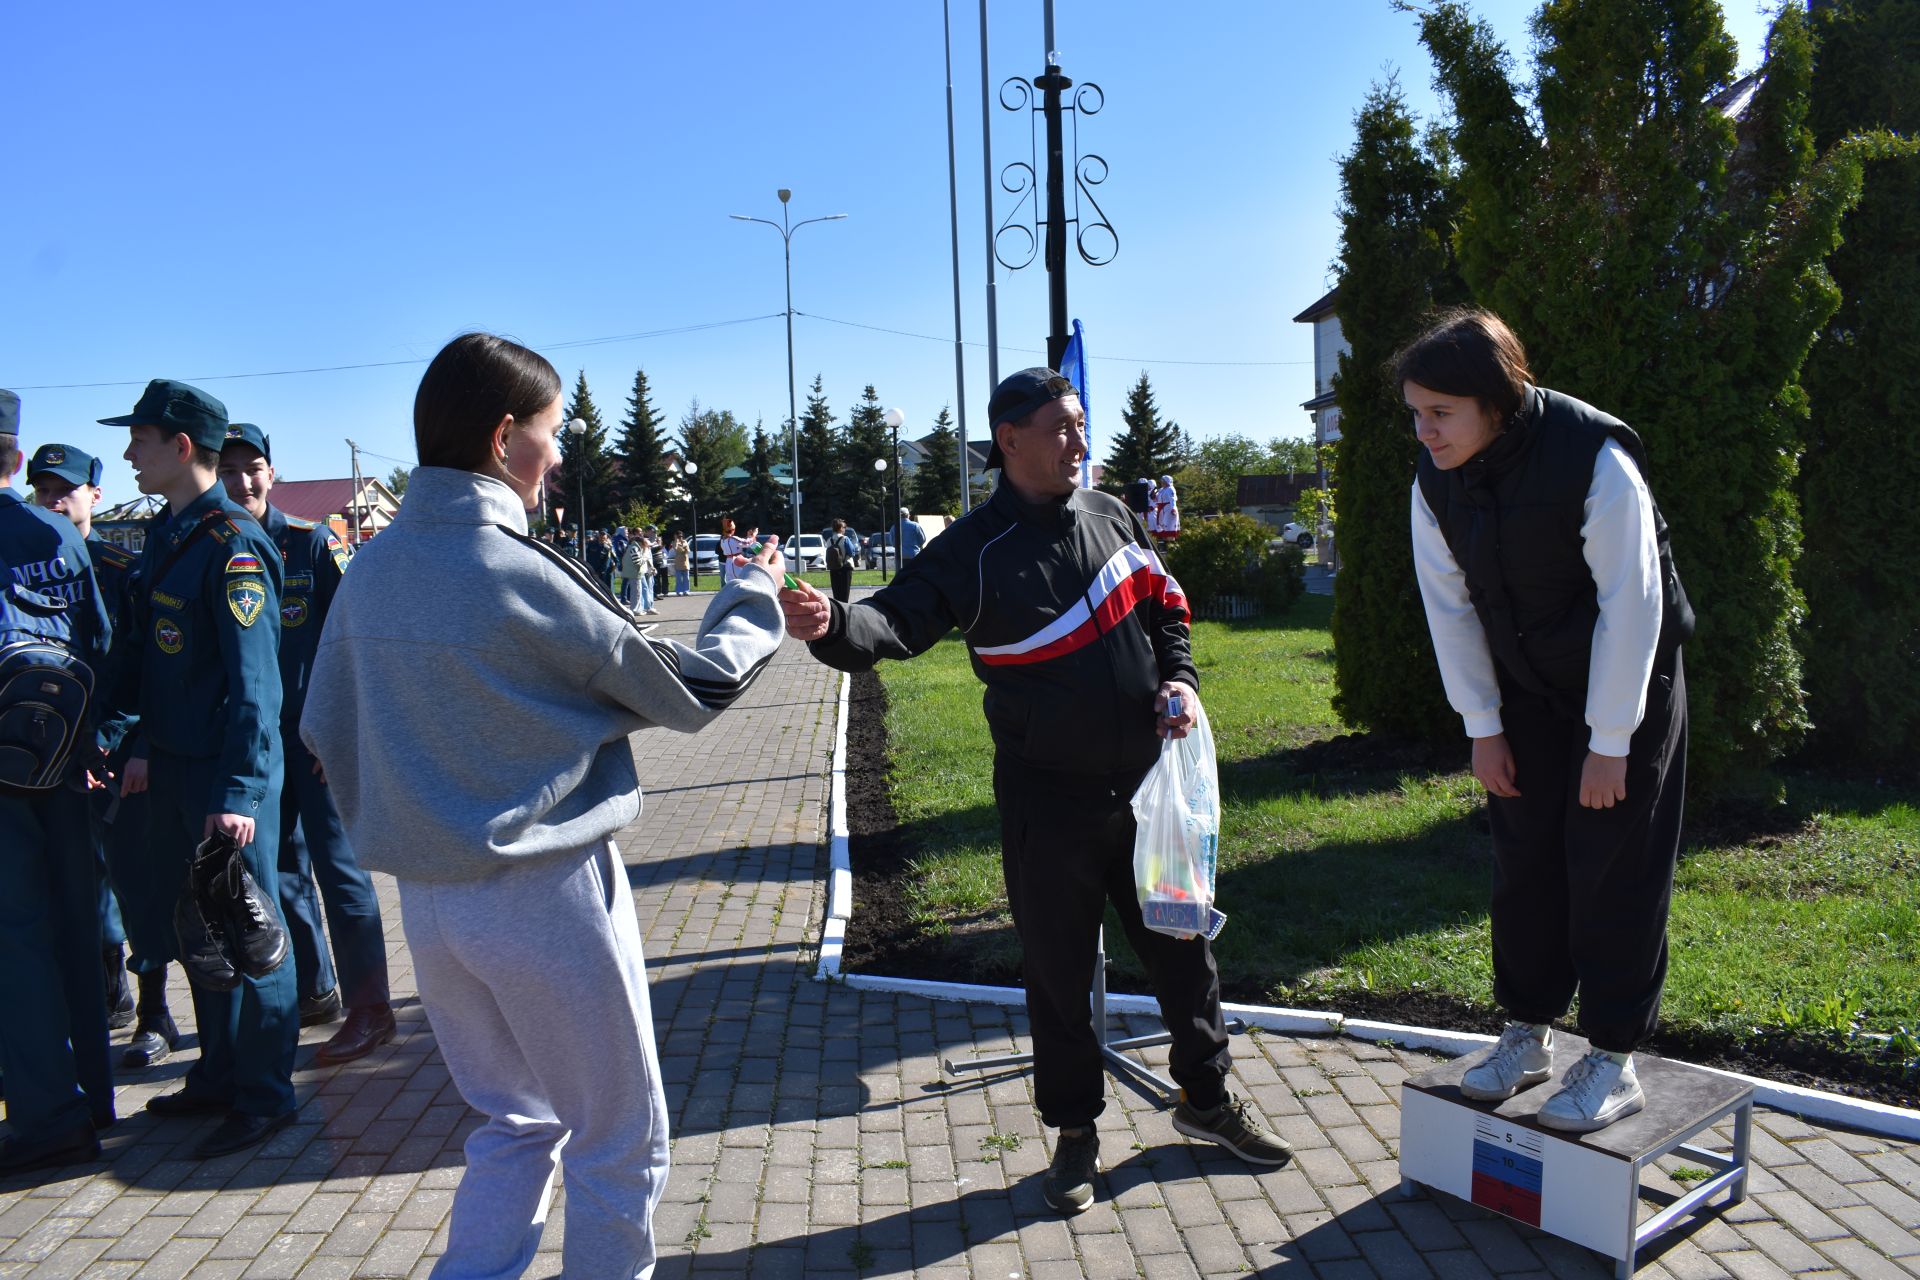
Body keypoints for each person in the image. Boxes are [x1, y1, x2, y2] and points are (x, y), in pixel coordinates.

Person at [303, 332, 786, 1280]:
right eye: (551, 430)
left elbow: (323, 728)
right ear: (501, 439)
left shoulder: (372, 567)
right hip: (545, 892)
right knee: (618, 1138)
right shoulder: (512, 564)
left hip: (430, 906)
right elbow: (691, 689)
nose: (559, 453)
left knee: (514, 1123)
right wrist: (752, 591)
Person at [777, 366, 1292, 1217]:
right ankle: (1075, 1137)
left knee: (1185, 951)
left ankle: (1207, 1101)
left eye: (1080, 423)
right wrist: (835, 626)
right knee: (1057, 977)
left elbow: (1165, 606)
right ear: (1008, 441)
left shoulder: (1113, 515)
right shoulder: (969, 551)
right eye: (1058, 428)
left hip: (1149, 793)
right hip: (1045, 801)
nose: (1077, 441)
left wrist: (1183, 679)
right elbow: (895, 621)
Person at [1403, 308, 1693, 1133]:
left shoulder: (1594, 458)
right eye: (1416, 414)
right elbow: (1448, 608)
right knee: (1523, 861)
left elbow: (1631, 607)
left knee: (1612, 867)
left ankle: (1612, 1056)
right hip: (1526, 693)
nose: (1424, 432)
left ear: (1497, 398)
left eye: (1441, 413)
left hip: (1626, 690)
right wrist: (1483, 726)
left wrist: (1610, 745)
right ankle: (1526, 1034)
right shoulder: (1434, 480)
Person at [102, 378, 300, 1158]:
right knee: (203, 935)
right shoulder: (169, 536)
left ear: (182, 447)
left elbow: (257, 684)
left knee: (251, 933)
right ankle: (220, 1075)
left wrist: (241, 792)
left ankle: (266, 1093)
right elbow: (154, 666)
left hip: (225, 781)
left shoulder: (233, 543)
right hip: (180, 770)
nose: (129, 454)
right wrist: (135, 743)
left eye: (141, 441)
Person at [218, 424, 396, 1065]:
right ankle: (316, 991)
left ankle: (371, 1009)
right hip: (257, 752)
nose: (242, 481)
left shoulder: (310, 542)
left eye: (253, 467)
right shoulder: (220, 546)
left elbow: (355, 640)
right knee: (283, 876)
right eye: (229, 469)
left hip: (317, 743)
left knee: (340, 870)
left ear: (273, 472)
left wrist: (339, 730)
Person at [26, 442, 186, 1068]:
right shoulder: (28, 565)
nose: (54, 499)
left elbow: (149, 668)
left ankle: (154, 1010)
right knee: (75, 885)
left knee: (136, 882)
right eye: (43, 488)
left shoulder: (122, 571)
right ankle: (105, 996)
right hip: (53, 755)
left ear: (95, 493)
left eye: (65, 488)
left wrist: (136, 741)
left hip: (118, 752)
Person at [0, 391, 116, 1174]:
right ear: (15, 459)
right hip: (67, 764)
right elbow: (102, 641)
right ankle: (93, 1098)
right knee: (77, 929)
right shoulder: (55, 533)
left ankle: (47, 1117)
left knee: (16, 945)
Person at [826, 517, 857, 603]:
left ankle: (837, 610)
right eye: (844, 527)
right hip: (845, 568)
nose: (844, 529)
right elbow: (852, 552)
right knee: (844, 594)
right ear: (840, 528)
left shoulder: (829, 540)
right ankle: (845, 611)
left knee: (836, 593)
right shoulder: (845, 539)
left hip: (833, 568)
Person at [622, 527, 650, 614]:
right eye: (644, 545)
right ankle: (635, 610)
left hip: (634, 573)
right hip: (634, 573)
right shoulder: (634, 548)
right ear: (641, 543)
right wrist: (645, 557)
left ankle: (638, 608)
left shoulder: (633, 547)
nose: (644, 547)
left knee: (637, 592)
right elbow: (637, 562)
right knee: (636, 592)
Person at [1149, 475, 1180, 542]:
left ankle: (1171, 544)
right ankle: (1165, 543)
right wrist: (1153, 496)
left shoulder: (1170, 489)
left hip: (1169, 509)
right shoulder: (1161, 489)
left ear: (1167, 482)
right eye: (1161, 481)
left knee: (1169, 526)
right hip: (1162, 510)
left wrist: (1173, 508)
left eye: (1163, 481)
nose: (1161, 483)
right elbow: (1156, 499)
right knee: (1163, 527)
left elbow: (1172, 499)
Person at [718, 517, 747, 585]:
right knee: (741, 578)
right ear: (733, 530)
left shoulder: (722, 540)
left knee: (730, 580)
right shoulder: (734, 539)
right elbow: (746, 543)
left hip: (728, 560)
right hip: (737, 559)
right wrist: (752, 536)